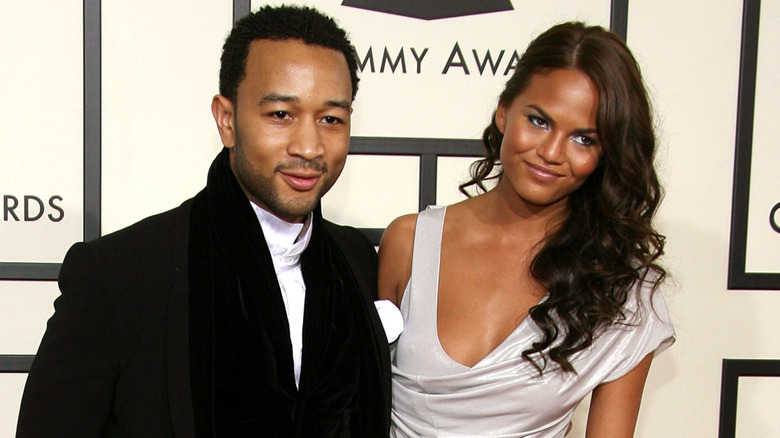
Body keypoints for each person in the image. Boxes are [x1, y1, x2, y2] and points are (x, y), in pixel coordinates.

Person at [17, 5, 391, 437]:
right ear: (227, 119)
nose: (309, 146)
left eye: (330, 119)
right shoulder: (120, 276)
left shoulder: (356, 261)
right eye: (281, 115)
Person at [378, 22, 675, 437]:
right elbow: (359, 404)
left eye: (584, 139)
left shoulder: (621, 288)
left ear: (607, 152)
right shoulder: (409, 242)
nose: (551, 153)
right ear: (504, 112)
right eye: (538, 121)